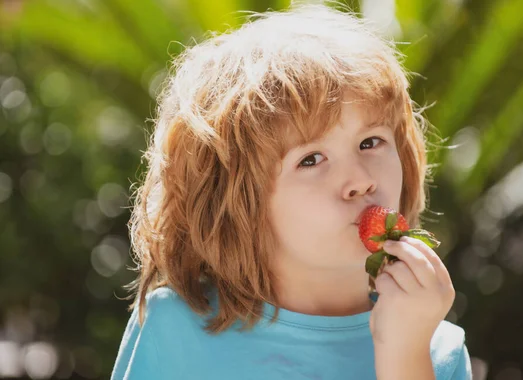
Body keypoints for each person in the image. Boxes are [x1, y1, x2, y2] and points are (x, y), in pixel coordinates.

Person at [110, 2, 472, 379]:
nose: (361, 180)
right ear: (238, 203)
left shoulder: (434, 348)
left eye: (370, 142)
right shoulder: (175, 330)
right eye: (312, 159)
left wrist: (405, 353)